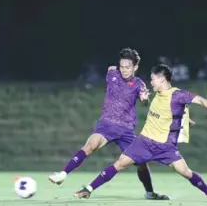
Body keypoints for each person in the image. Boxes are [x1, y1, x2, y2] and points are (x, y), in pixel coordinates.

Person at [73, 64, 207, 202]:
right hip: (144, 142)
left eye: (153, 79)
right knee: (119, 164)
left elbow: (200, 100)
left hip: (166, 147)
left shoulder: (177, 94)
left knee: (185, 172)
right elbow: (169, 113)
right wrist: (145, 100)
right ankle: (88, 190)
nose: (151, 82)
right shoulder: (157, 95)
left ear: (162, 79)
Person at [49, 48, 169, 200]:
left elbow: (145, 101)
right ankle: (63, 174)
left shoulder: (139, 84)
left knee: (141, 162)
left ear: (135, 67)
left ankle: (150, 193)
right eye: (122, 66)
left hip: (126, 130)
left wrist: (145, 99)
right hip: (106, 125)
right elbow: (111, 68)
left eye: (128, 67)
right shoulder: (112, 73)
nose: (124, 70)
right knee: (90, 145)